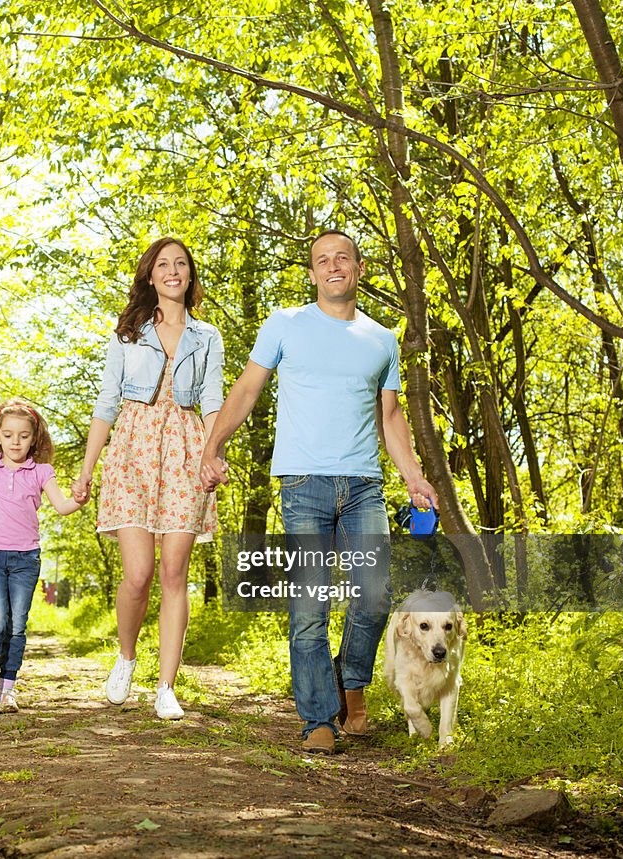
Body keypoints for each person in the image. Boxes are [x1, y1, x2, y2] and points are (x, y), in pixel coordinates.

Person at [200, 230, 438, 754]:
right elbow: (246, 389)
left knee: (373, 599)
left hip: (364, 487)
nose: (333, 266)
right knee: (309, 607)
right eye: (322, 260)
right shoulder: (285, 324)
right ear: (312, 273)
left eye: (342, 258)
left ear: (357, 267)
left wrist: (414, 477)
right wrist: (212, 446)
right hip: (303, 484)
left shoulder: (382, 338)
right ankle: (317, 721)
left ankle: (347, 684)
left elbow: (392, 416)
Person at [72, 237, 224, 720]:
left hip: (185, 447)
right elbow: (106, 403)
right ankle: (127, 657)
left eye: (181, 264)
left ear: (189, 275)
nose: (173, 271)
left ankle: (166, 687)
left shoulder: (209, 337)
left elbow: (216, 401)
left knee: (175, 572)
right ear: (151, 276)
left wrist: (213, 453)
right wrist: (86, 468)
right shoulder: (128, 333)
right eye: (164, 265)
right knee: (138, 575)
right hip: (132, 448)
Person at [0, 398, 86, 712]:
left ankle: (7, 690)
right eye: (8, 435)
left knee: (16, 625)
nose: (15, 441)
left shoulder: (42, 472)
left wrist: (80, 500)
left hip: (25, 558)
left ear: (34, 439)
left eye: (22, 435)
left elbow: (62, 506)